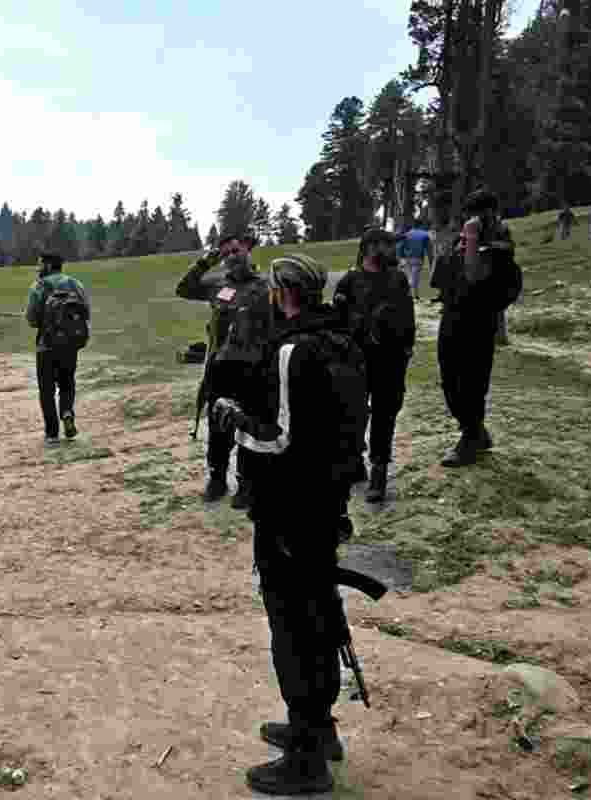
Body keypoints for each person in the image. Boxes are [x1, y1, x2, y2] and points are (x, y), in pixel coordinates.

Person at [210, 254, 362, 796]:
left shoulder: (296, 349)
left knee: (294, 630)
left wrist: (233, 421)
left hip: (290, 511)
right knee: (317, 617)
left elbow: (282, 439)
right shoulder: (340, 342)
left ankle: (306, 760)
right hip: (324, 504)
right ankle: (317, 731)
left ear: (284, 292)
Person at [175, 232, 272, 509]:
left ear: (248, 250)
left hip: (254, 368)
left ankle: (245, 483)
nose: (231, 256)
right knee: (219, 426)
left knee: (248, 427)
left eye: (236, 250)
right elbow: (183, 289)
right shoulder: (217, 283)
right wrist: (206, 261)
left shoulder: (266, 285)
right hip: (220, 367)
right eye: (226, 253)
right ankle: (217, 478)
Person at [335, 229, 416, 503]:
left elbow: (408, 317)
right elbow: (337, 322)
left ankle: (378, 471)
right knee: (353, 412)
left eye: (389, 245)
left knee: (384, 415)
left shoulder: (398, 279)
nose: (388, 250)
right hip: (356, 360)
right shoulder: (349, 280)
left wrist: (406, 350)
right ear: (368, 247)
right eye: (382, 244)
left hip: (389, 360)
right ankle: (355, 460)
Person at [437, 189, 514, 467]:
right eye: (471, 215)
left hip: (479, 321)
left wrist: (471, 241)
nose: (475, 220)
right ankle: (476, 432)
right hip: (452, 317)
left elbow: (474, 276)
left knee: (472, 382)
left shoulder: (500, 244)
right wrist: (460, 244)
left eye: (482, 214)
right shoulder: (459, 240)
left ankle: (470, 438)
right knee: (449, 380)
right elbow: (441, 276)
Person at [25, 252, 91, 444]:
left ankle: (52, 433)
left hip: (46, 345)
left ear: (47, 266)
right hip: (71, 344)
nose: (38, 269)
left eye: (40, 265)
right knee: (67, 383)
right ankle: (67, 412)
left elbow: (31, 319)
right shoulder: (75, 284)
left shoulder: (39, 286)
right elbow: (85, 311)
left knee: (46, 390)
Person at [396, 219, 433, 300]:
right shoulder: (425, 235)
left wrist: (399, 258)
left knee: (408, 276)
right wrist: (431, 262)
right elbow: (429, 250)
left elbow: (400, 247)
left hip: (406, 258)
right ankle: (415, 295)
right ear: (421, 225)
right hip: (418, 258)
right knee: (415, 277)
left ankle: (407, 294)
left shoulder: (406, 234)